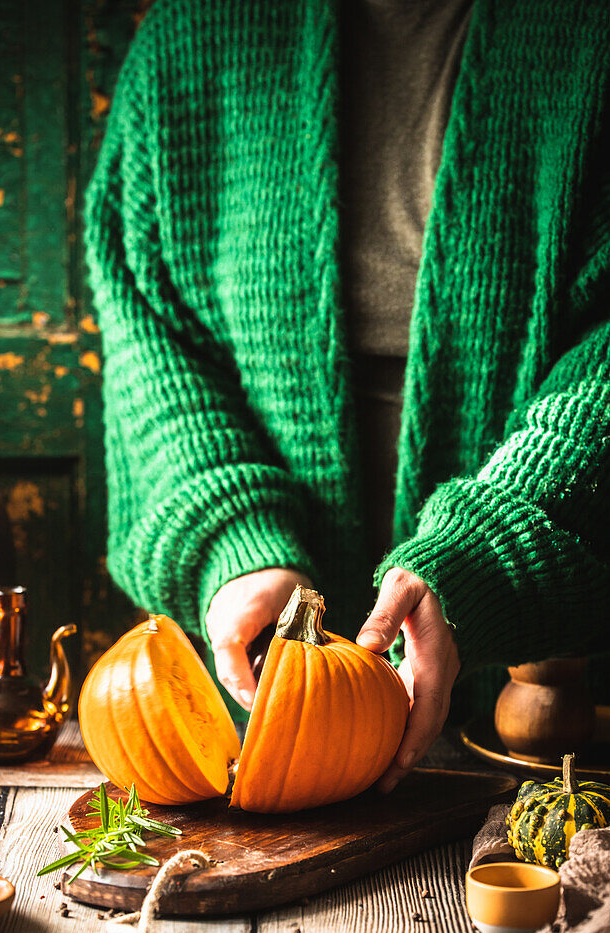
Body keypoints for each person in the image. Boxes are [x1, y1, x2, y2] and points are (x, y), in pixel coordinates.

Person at [85, 0, 610, 792]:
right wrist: (236, 547)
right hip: (259, 720)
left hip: (558, 722)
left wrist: (478, 561)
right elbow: (150, 339)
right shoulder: (193, 36)